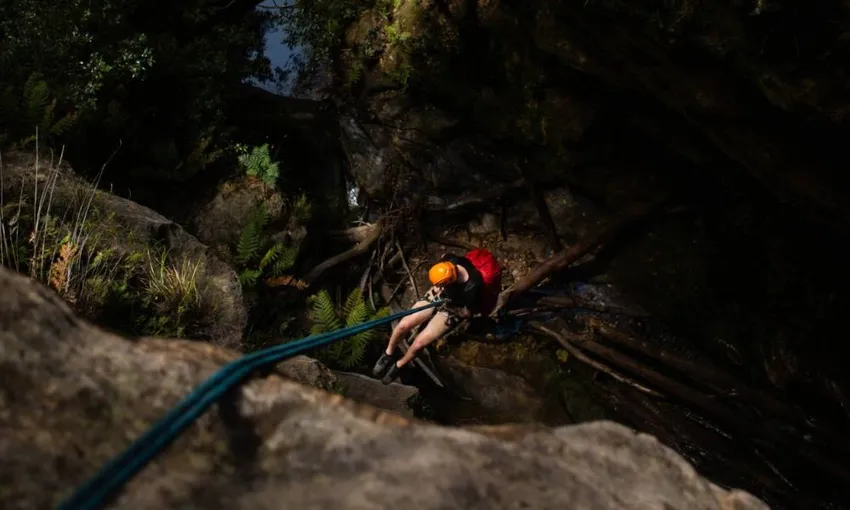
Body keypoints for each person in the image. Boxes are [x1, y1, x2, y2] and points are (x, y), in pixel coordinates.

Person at [372, 248, 502, 384]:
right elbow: (443, 256)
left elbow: (467, 313)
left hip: (455, 308)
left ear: (451, 280)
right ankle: (388, 353)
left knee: (418, 344)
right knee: (403, 325)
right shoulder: (450, 261)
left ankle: (399, 365)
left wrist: (451, 307)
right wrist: (439, 288)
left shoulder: (473, 287)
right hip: (441, 294)